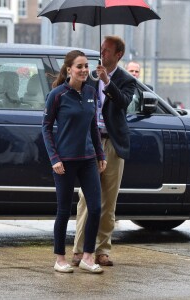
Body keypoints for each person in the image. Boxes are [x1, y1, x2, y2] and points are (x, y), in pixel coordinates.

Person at [72, 36, 136, 267]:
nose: (102, 54)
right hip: (91, 142)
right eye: (101, 49)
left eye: (107, 51)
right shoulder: (88, 77)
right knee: (86, 199)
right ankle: (79, 250)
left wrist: (107, 81)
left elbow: (123, 102)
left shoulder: (126, 79)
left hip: (113, 144)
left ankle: (102, 250)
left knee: (109, 201)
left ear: (118, 54)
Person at [42, 50, 107, 274]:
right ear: (69, 69)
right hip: (64, 162)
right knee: (63, 211)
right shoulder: (58, 95)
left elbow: (93, 127)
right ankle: (60, 258)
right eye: (79, 66)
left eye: (86, 66)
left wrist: (100, 155)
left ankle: (88, 256)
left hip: (88, 159)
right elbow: (46, 127)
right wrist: (54, 158)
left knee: (96, 208)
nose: (84, 70)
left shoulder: (91, 92)